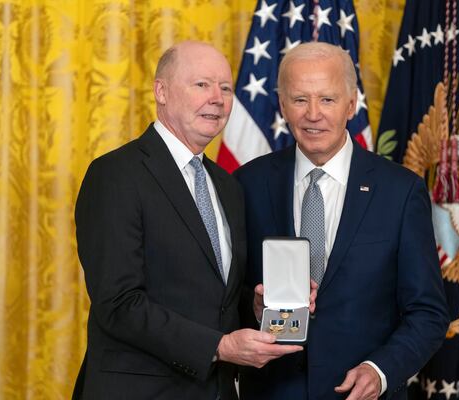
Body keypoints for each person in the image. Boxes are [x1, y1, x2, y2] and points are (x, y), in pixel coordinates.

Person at [72, 41, 303, 400]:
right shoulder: (115, 175)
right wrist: (220, 346)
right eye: (202, 85)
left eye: (225, 88)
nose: (217, 98)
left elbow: (218, 299)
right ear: (161, 91)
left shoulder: (228, 186)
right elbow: (118, 303)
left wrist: (256, 308)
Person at [235, 42, 449, 400]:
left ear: (352, 104)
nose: (313, 114)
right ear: (283, 105)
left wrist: (380, 371)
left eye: (328, 100)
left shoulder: (400, 191)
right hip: (273, 390)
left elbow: (427, 312)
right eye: (300, 99)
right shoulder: (247, 184)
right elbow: (224, 297)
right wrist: (253, 308)